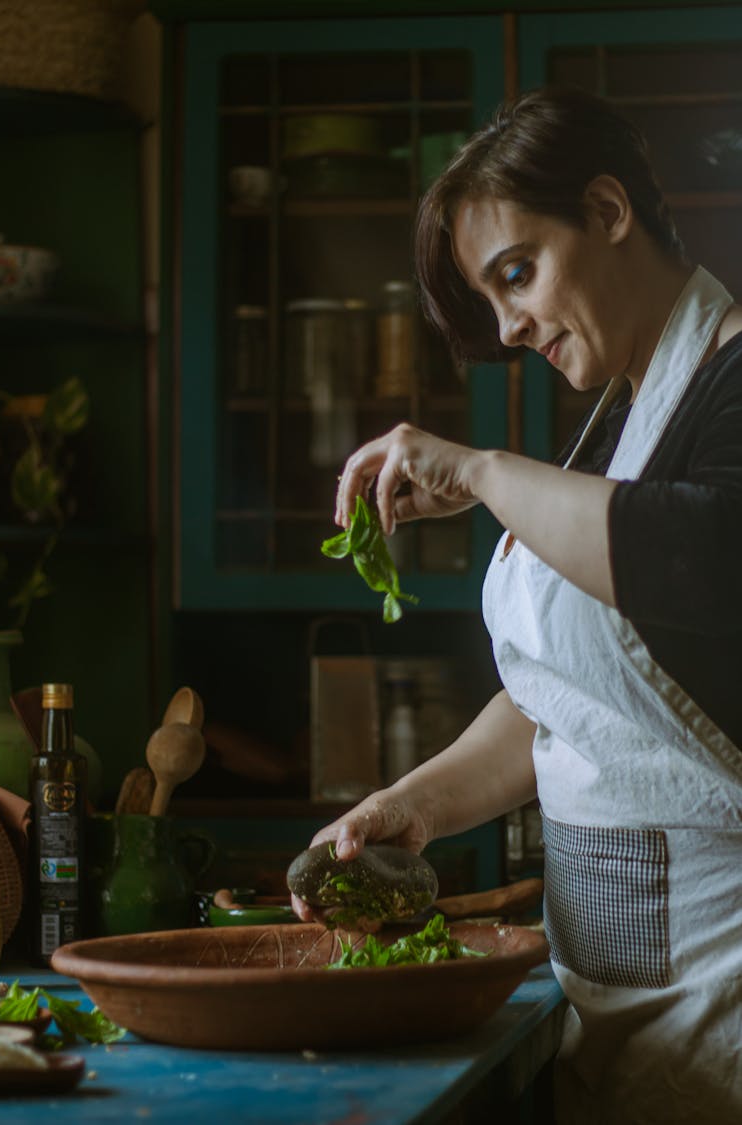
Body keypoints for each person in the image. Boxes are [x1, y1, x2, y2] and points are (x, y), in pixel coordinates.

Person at [291, 86, 742, 1125]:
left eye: (517, 274)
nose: (509, 326)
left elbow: (704, 560)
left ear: (609, 210)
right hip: (621, 1005)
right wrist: (416, 807)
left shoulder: (731, 384)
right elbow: (569, 698)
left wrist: (486, 472)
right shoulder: (626, 415)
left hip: (723, 996)